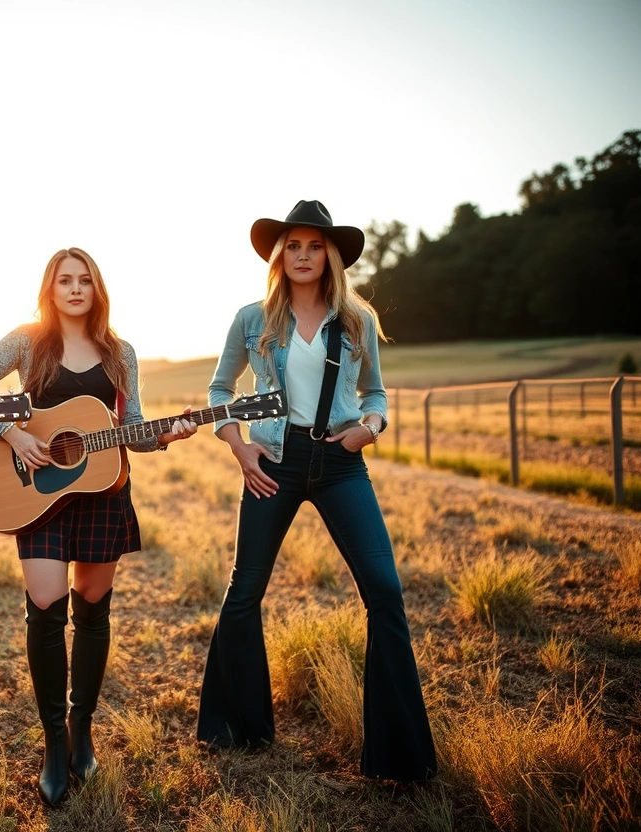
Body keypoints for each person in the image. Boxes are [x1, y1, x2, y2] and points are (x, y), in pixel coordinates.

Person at [197, 201, 437, 782]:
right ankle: (236, 729)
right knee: (245, 590)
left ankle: (400, 755)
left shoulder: (356, 320)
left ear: (330, 256)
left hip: (340, 464)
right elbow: (219, 390)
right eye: (293, 246)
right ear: (280, 256)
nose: (303, 255)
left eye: (314, 246)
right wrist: (239, 446)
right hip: (274, 462)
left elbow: (376, 393)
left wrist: (370, 428)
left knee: (385, 590)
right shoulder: (252, 319)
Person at [0, 247, 197, 805]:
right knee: (45, 607)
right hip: (36, 493)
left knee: (92, 609)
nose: (75, 288)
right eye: (64, 280)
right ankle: (53, 743)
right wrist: (13, 434)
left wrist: (166, 435)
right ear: (50, 288)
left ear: (97, 288)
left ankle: (80, 727)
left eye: (84, 279)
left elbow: (132, 427)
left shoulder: (120, 352)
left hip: (101, 490)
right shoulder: (26, 342)